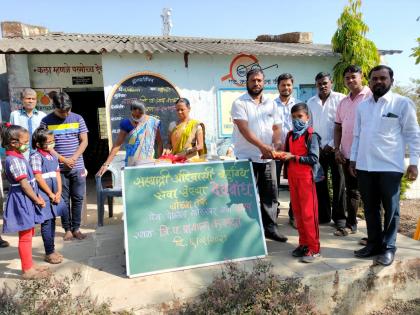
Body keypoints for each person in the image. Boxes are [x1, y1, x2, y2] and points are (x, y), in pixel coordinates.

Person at [350, 65, 420, 266]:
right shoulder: (363, 106)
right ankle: (373, 244)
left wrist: (413, 163)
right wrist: (354, 159)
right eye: (374, 79)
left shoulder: (402, 104)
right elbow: (357, 135)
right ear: (369, 81)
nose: (378, 82)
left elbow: (413, 135)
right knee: (370, 209)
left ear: (391, 81)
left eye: (383, 78)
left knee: (391, 209)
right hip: (365, 165)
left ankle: (389, 248)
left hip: (390, 166)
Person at [231, 68, 287, 242]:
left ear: (264, 82)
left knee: (270, 195)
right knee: (246, 197)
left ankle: (270, 228)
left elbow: (277, 127)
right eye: (253, 80)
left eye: (259, 80)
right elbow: (244, 130)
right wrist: (263, 146)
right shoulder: (239, 103)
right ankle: (248, 232)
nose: (256, 83)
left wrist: (276, 143)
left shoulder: (271, 103)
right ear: (246, 83)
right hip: (246, 157)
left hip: (268, 158)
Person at [1, 123, 49, 279]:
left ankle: (30, 264)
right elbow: (24, 184)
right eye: (25, 142)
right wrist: (37, 199)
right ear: (14, 143)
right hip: (22, 199)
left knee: (29, 231)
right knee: (26, 235)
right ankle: (27, 270)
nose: (27, 145)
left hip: (26, 198)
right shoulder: (13, 160)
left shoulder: (18, 156)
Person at [41, 92, 88, 241]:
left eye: (68, 110)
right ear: (54, 107)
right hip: (58, 168)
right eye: (62, 111)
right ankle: (67, 229)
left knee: (78, 198)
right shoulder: (45, 121)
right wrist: (62, 159)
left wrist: (73, 158)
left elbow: (84, 141)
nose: (65, 113)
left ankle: (76, 228)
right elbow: (45, 145)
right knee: (63, 199)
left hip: (77, 165)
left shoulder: (78, 118)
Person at [282, 103, 323, 263]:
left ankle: (314, 248)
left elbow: (314, 158)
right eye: (293, 117)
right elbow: (287, 154)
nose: (297, 120)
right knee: (298, 214)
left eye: (300, 116)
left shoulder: (311, 135)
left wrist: (295, 158)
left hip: (306, 179)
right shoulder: (290, 135)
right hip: (293, 178)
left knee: (308, 214)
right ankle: (303, 244)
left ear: (307, 117)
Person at [334, 65, 371, 237]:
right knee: (351, 191)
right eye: (347, 77)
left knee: (372, 194)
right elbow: (338, 127)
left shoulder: (371, 97)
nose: (350, 80)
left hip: (368, 156)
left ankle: (374, 234)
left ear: (361, 76)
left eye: (353, 77)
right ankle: (351, 225)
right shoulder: (343, 102)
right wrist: (337, 149)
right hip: (347, 154)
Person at [307, 72, 346, 226]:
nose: (322, 86)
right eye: (319, 84)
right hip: (318, 150)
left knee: (339, 183)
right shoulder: (311, 102)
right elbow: (310, 126)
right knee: (320, 183)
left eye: (325, 83)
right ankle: (323, 216)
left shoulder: (341, 99)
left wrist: (332, 144)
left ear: (331, 82)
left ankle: (340, 218)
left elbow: (343, 124)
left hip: (336, 149)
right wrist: (316, 146)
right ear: (316, 85)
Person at [30, 126, 66, 264]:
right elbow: (38, 178)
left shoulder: (52, 155)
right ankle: (49, 252)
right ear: (38, 144)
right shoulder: (36, 157)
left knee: (52, 223)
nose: (51, 144)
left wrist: (59, 192)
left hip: (54, 194)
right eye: (48, 142)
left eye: (53, 141)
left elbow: (57, 173)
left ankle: (52, 249)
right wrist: (50, 194)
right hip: (43, 195)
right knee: (46, 223)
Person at [97, 101, 163, 176]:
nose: (136, 118)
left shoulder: (153, 122)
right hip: (132, 163)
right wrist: (106, 164)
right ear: (131, 112)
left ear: (144, 112)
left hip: (149, 162)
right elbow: (117, 144)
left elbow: (159, 143)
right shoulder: (126, 123)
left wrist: (159, 160)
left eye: (139, 116)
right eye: (134, 116)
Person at [274, 73, 301, 227]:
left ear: (292, 86)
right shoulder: (270, 105)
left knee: (294, 184)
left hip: (294, 150)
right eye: (283, 85)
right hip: (276, 150)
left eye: (289, 85)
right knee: (273, 184)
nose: (286, 88)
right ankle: (273, 214)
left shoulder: (298, 105)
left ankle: (293, 215)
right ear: (278, 86)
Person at [10, 88, 46, 160]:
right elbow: (10, 135)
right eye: (28, 98)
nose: (31, 101)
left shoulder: (42, 116)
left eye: (33, 99)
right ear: (22, 100)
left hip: (38, 155)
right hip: (21, 154)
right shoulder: (15, 115)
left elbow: (45, 135)